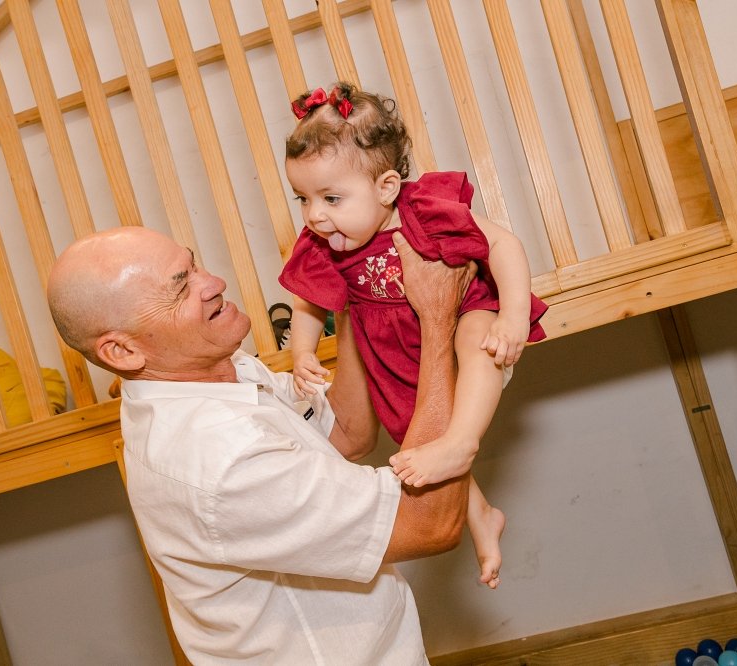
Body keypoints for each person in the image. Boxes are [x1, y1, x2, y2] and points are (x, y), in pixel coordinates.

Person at [47, 224, 475, 664]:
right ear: (122, 352)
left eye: (193, 265)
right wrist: (437, 320)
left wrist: (351, 291)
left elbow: (345, 432)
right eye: (181, 288)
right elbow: (429, 524)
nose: (214, 283)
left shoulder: (216, 368)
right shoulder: (217, 456)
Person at [280, 82, 548, 587]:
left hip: (464, 313)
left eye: (331, 197)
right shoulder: (324, 242)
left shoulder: (422, 210)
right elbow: (307, 299)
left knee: (475, 341)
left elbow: (502, 245)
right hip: (397, 353)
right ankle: (481, 516)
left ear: (386, 188)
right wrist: (302, 351)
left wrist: (513, 316)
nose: (315, 214)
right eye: (304, 198)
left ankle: (464, 441)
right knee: (415, 435)